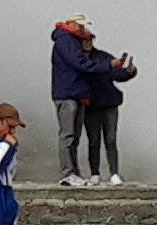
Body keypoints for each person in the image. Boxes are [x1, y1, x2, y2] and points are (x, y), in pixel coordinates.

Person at [50, 14, 129, 186]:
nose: (84, 31)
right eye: (81, 27)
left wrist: (127, 71)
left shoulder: (73, 42)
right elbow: (80, 64)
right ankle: (68, 173)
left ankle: (74, 173)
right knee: (69, 135)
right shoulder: (65, 40)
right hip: (69, 93)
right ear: (71, 24)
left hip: (79, 95)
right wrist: (109, 65)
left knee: (77, 136)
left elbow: (115, 74)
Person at [78, 38, 137, 185]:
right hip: (91, 105)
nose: (88, 42)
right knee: (94, 141)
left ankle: (114, 173)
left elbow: (117, 74)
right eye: (84, 39)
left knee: (110, 139)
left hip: (109, 103)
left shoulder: (102, 57)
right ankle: (95, 173)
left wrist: (130, 72)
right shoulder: (76, 59)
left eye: (90, 39)